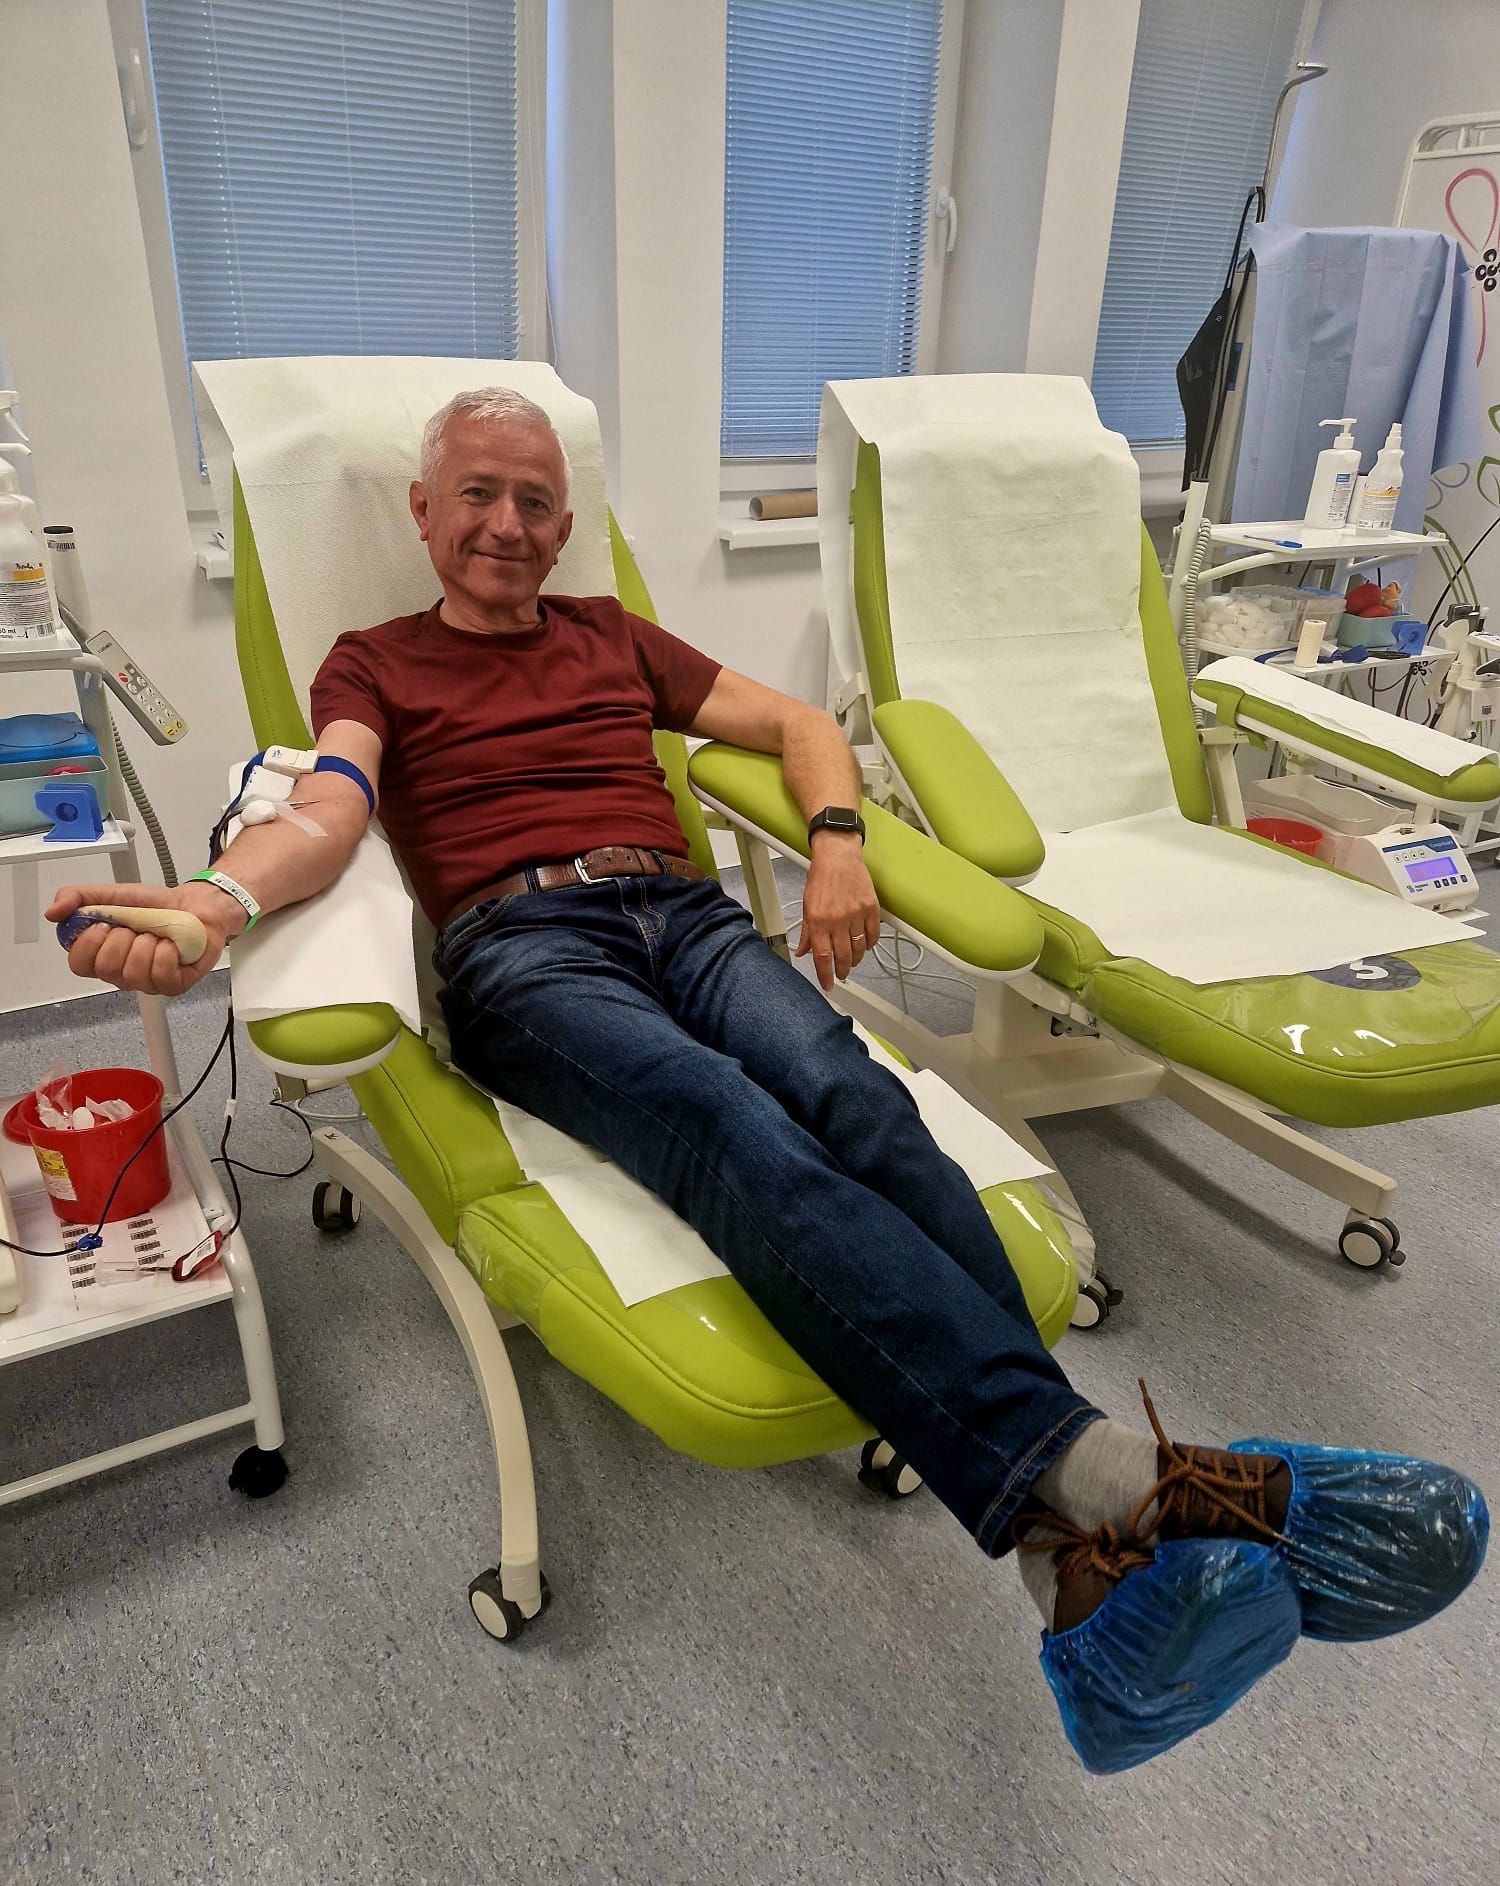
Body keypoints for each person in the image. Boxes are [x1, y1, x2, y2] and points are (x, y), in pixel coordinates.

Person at [50, 388, 1487, 1773]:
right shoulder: (372, 661)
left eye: (535, 501)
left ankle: (1069, 1566)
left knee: (862, 1101)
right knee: (724, 1118)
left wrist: (840, 845)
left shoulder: (613, 635)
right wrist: (215, 907)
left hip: (685, 915)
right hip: (524, 949)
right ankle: (1115, 1481)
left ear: (565, 529)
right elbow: (325, 812)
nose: (506, 523)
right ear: (424, 513)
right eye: (476, 494)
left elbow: (800, 726)